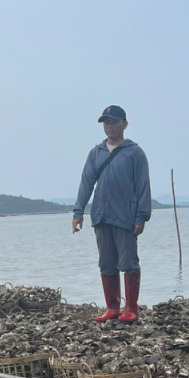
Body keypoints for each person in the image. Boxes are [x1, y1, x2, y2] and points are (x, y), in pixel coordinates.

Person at [72, 105, 152, 323]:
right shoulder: (95, 153)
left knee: (129, 263)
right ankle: (112, 307)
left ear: (125, 124)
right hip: (101, 215)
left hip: (125, 217)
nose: (110, 127)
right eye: (106, 122)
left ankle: (132, 308)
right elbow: (86, 183)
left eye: (114, 122)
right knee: (106, 263)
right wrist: (78, 212)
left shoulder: (135, 152)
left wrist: (141, 217)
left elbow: (143, 186)